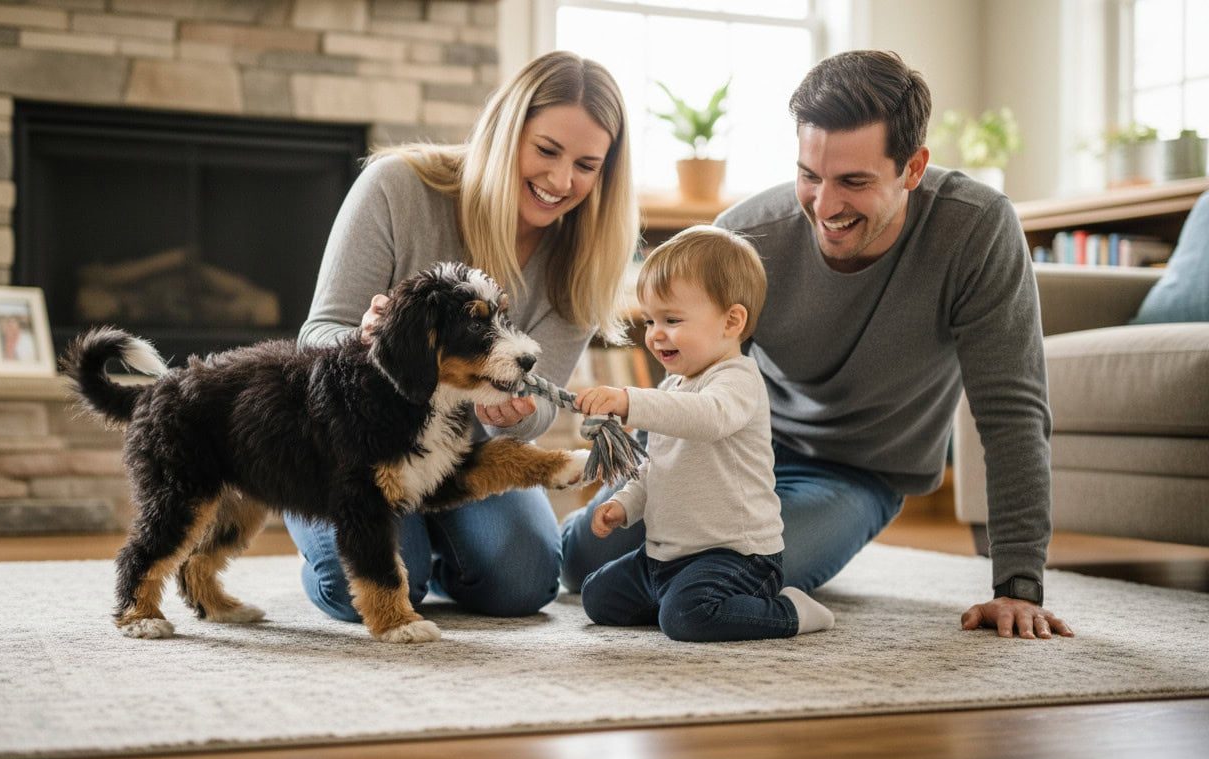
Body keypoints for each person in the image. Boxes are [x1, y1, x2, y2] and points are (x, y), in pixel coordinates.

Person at [562, 50, 1074, 640]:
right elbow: (687, 386)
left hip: (859, 473)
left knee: (726, 580)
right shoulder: (745, 238)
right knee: (583, 562)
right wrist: (638, 483)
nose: (825, 207)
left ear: (913, 168)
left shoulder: (976, 230)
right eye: (809, 176)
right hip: (731, 445)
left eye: (854, 182)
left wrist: (1018, 584)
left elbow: (1012, 410)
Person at [286, 51, 639, 622]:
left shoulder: (584, 255)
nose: (561, 181)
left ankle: (434, 546)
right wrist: (366, 341)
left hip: (457, 450)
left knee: (524, 583)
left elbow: (540, 407)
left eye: (586, 164)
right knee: (382, 583)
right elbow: (315, 337)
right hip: (348, 443)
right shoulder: (396, 187)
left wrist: (515, 414)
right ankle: (353, 532)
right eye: (546, 150)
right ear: (507, 132)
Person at [573, 226, 834, 641]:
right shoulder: (672, 387)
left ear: (732, 321)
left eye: (672, 320)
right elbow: (655, 467)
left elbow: (708, 417)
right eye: (650, 320)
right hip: (665, 557)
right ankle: (678, 599)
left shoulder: (738, 380)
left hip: (738, 557)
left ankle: (790, 611)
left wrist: (629, 400)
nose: (655, 334)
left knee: (687, 618)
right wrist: (624, 504)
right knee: (597, 597)